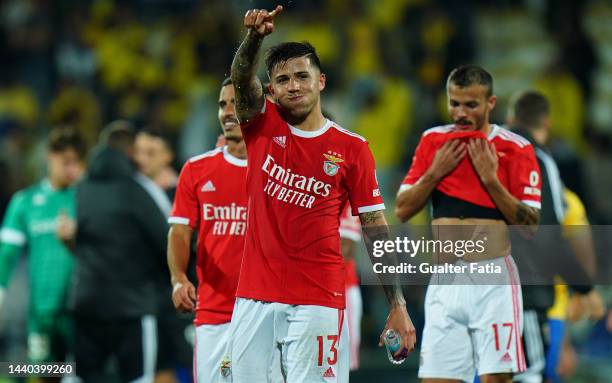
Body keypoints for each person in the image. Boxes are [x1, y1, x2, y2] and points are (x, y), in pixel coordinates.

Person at [228, 6, 416, 382]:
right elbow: (240, 76)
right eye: (283, 79)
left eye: (302, 75)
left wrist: (398, 303)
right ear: (271, 90)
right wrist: (254, 38)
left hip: (318, 299)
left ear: (321, 81)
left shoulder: (352, 148)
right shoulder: (260, 126)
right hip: (253, 296)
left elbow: (375, 227)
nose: (293, 85)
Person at [396, 65, 542, 383]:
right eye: (454, 103)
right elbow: (402, 209)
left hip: (493, 282)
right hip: (446, 280)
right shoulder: (433, 141)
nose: (460, 113)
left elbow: (530, 224)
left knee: (495, 379)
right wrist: (434, 173)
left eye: (470, 105)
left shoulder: (515, 148)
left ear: (490, 103)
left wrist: (491, 180)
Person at [505, 91, 604, 383]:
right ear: (546, 124)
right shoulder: (561, 193)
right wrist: (585, 290)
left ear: (510, 120)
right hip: (542, 305)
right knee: (537, 374)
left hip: (486, 294)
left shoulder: (487, 160)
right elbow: (574, 244)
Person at [70, 121, 168, 383]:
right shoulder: (138, 191)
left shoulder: (79, 190)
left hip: (85, 304)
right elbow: (168, 243)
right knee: (138, 378)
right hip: (132, 309)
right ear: (130, 153)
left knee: (81, 376)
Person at [168, 78, 250, 383]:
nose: (228, 111)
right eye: (222, 104)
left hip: (267, 313)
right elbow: (179, 232)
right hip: (214, 313)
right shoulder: (196, 170)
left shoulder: (274, 169)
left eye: (236, 103)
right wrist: (178, 279)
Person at [0, 127, 85, 373]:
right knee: (46, 373)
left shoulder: (87, 198)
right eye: (65, 161)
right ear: (49, 157)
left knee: (88, 373)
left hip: (82, 308)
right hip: (42, 309)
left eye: (76, 162)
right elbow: (6, 253)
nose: (71, 168)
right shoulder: (25, 201)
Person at [134, 128, 192, 383]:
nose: (141, 159)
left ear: (167, 155)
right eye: (137, 152)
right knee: (159, 367)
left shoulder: (187, 191)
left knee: (196, 365)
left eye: (150, 152)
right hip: (149, 298)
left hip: (187, 297)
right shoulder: (131, 196)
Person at [339, 204, 363, 371]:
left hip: (342, 290)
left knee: (339, 365)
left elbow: (345, 247)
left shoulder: (348, 195)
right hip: (308, 290)